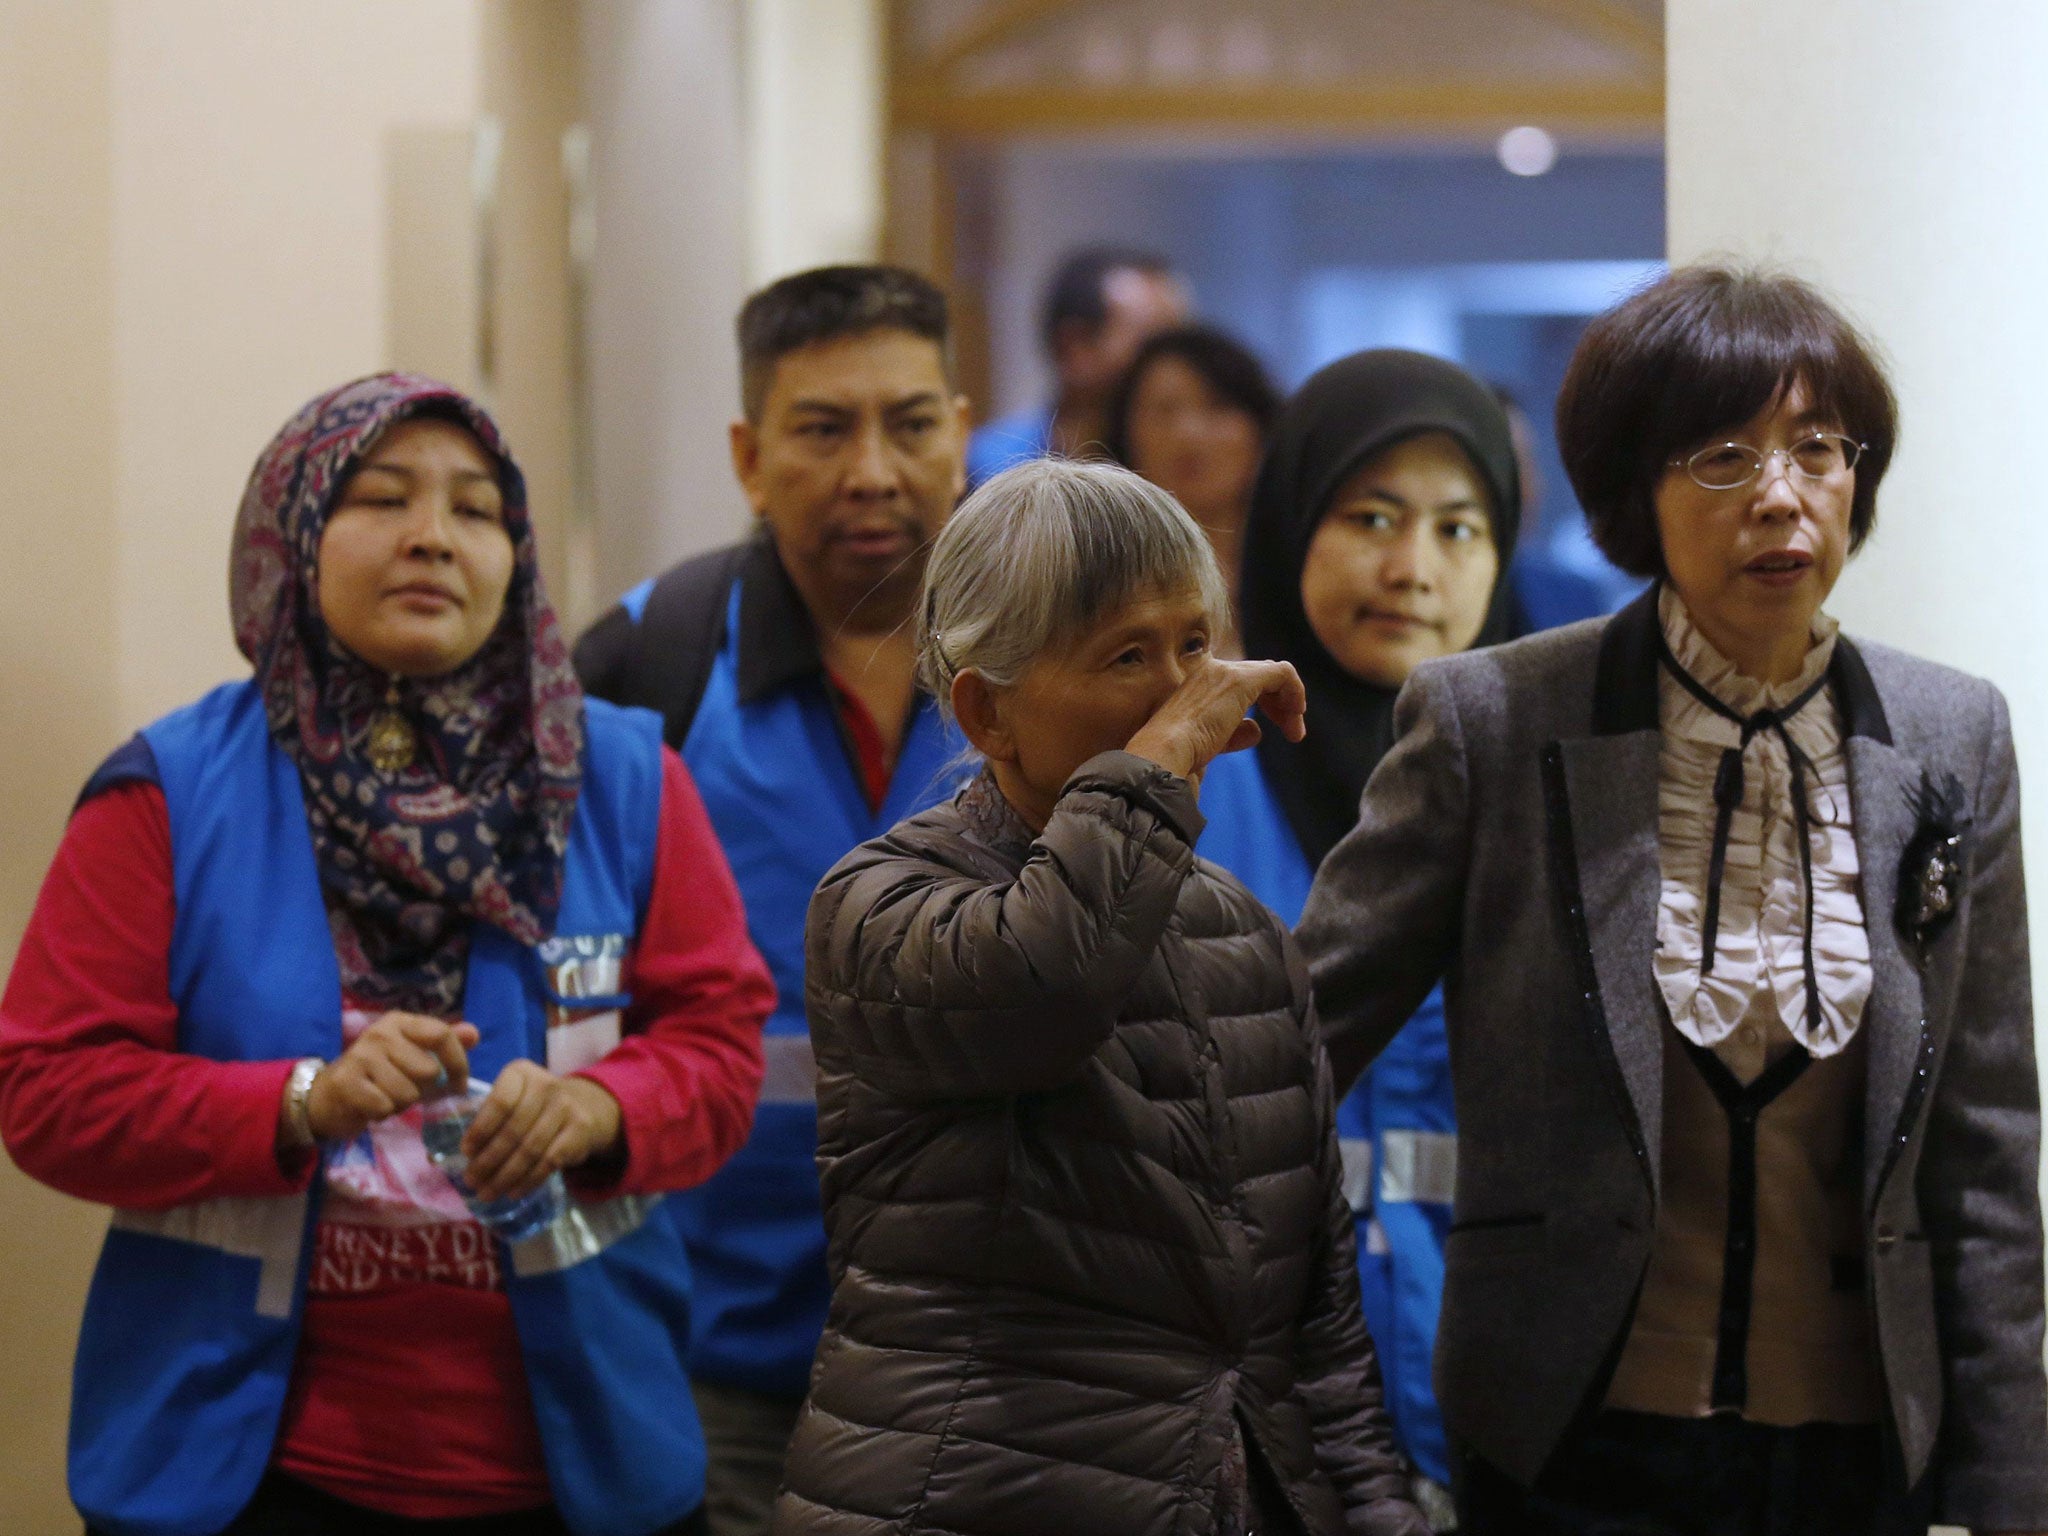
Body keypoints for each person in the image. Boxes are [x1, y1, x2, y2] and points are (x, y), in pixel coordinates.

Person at [1296, 266, 2048, 1534]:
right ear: (1631, 491)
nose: (1778, 496)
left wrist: (2013, 1484)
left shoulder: (1945, 735)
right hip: (1564, 1440)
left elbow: (1983, 1152)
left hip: (1858, 1451)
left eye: (1816, 450)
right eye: (1721, 456)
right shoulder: (1494, 720)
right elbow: (1296, 1045)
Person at [0, 373, 775, 1536]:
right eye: (382, 497)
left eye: (475, 508)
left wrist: (600, 1113)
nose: (432, 536)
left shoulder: (623, 780)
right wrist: (300, 1101)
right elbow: (48, 1094)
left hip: (584, 1462)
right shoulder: (170, 790)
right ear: (294, 532)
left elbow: (718, 1051)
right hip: (242, 1472)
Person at [776, 458, 1428, 1536]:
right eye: (1128, 655)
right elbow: (1045, 986)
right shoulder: (879, 904)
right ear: (987, 712)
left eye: (1192, 645)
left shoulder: (1245, 936)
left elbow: (1314, 1335)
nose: (1190, 693)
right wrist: (1160, 762)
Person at [573, 265, 975, 1536]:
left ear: (960, 433)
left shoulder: (1047, 659)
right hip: (706, 1358)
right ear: (750, 456)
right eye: (821, 428)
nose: (872, 470)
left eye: (910, 423)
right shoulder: (648, 664)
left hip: (986, 1366)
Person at [1196, 350, 1520, 1530]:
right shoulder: (1185, 782)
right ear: (1288, 525)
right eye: (1369, 517)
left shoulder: (1549, 794)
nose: (1410, 569)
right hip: (1242, 1429)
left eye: (1457, 527)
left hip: (1494, 1416)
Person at [1104, 322, 1281, 644]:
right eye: (1164, 410)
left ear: (1261, 425)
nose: (1189, 434)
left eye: (1217, 406)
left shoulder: (1301, 570)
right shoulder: (1097, 581)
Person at [966, 244, 1189, 486]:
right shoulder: (988, 471)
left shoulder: (1187, 468)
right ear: (1074, 347)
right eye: (1152, 343)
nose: (1174, 366)